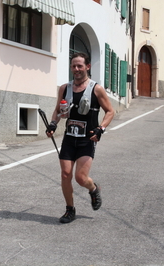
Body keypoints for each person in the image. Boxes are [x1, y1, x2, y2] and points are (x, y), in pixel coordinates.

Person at [46, 53, 115, 223]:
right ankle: (70, 210)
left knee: (80, 178)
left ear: (88, 67)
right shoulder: (64, 88)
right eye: (73, 66)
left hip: (87, 139)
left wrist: (101, 129)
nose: (76, 69)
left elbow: (110, 111)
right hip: (69, 138)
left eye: (80, 66)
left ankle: (93, 188)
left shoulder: (96, 89)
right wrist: (53, 124)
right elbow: (58, 110)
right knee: (65, 175)